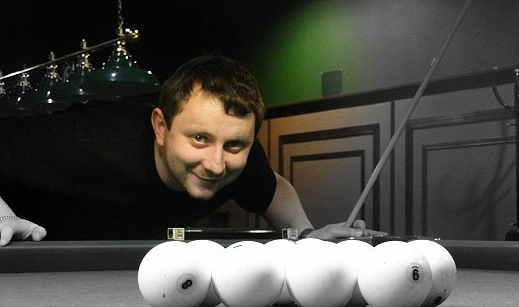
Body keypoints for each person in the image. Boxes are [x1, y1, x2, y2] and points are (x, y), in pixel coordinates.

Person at [0, 54, 384, 246]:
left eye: (234, 144)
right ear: (161, 127)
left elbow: (272, 187)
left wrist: (307, 236)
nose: (216, 164)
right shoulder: (82, 139)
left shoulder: (237, 159)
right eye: (199, 138)